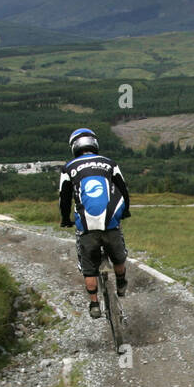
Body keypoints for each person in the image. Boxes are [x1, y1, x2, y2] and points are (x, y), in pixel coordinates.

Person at [59, 128, 131, 319]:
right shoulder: (109, 163)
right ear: (94, 144)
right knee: (119, 257)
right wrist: (126, 211)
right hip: (111, 224)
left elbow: (64, 199)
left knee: (89, 266)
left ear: (74, 146)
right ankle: (121, 283)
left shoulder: (68, 168)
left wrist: (65, 219)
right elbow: (123, 189)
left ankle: (94, 304)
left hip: (87, 228)